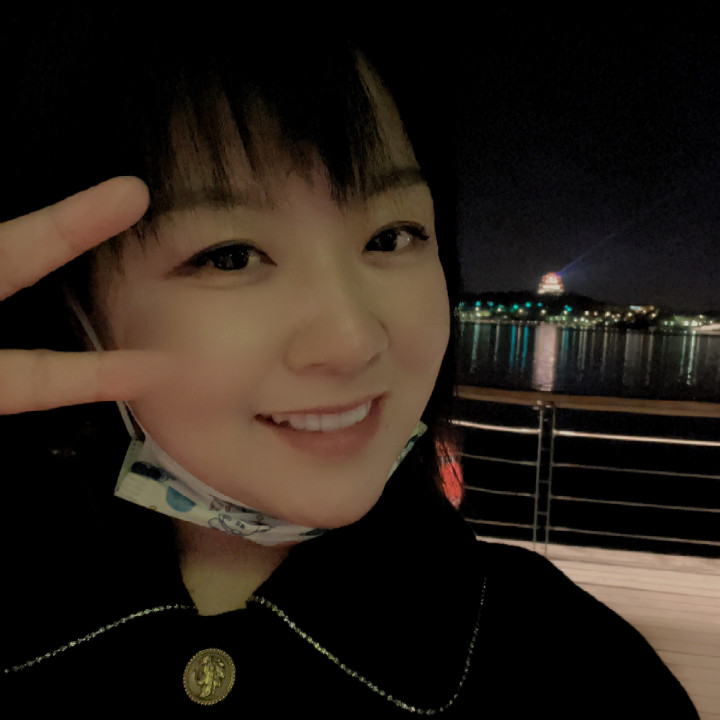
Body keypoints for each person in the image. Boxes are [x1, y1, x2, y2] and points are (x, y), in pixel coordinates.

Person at [0, 15, 699, 717]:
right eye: (231, 256)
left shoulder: (576, 671)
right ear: (75, 305)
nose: (352, 340)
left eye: (391, 237)